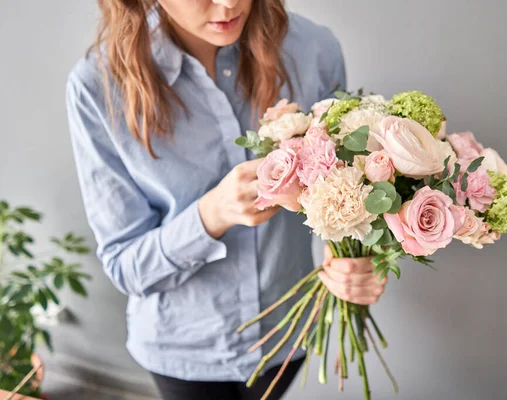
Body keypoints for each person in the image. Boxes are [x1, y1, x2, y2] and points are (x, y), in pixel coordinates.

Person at [66, 1, 388, 399]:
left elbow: (346, 186)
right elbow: (125, 266)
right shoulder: (98, 86)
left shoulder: (314, 50)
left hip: (290, 338)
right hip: (185, 351)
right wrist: (209, 216)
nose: (229, 3)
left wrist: (355, 259)